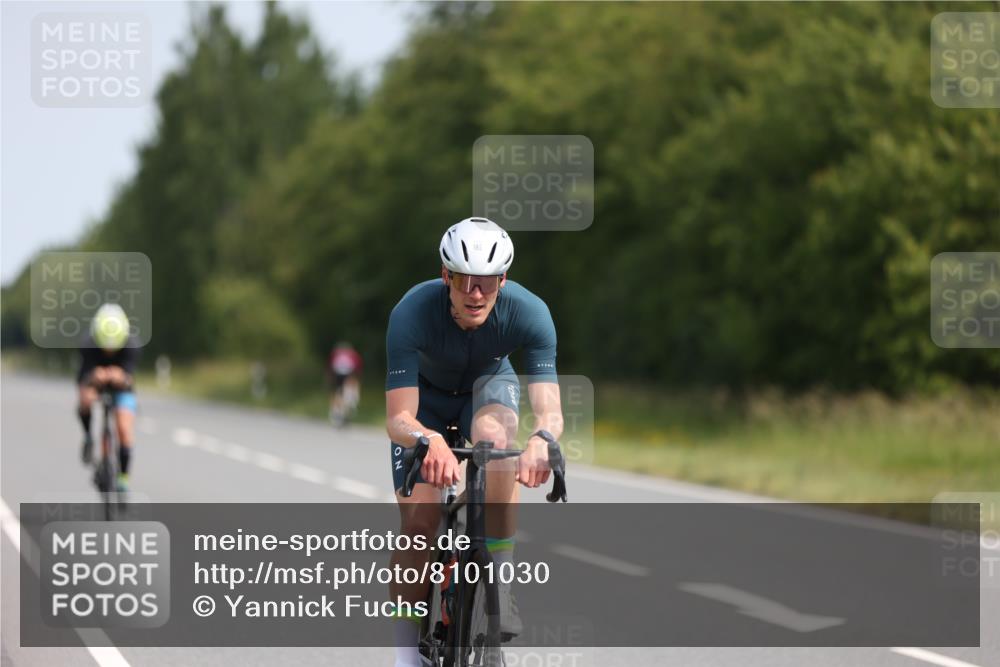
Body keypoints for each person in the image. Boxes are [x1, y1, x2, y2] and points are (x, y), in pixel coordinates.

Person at [385, 217, 564, 667]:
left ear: (503, 279)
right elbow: (397, 417)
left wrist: (543, 438)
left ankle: (498, 578)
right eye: (464, 279)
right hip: (424, 404)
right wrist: (428, 440)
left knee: (497, 443)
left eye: (486, 281)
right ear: (446, 275)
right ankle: (406, 656)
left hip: (486, 388)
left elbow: (550, 410)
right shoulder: (411, 312)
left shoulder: (530, 312)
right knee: (421, 525)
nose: (475, 293)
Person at [77, 303, 139, 492]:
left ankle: (123, 476)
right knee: (85, 399)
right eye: (105, 347)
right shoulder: (87, 345)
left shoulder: (132, 345)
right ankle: (88, 436)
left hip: (121, 387)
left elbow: (129, 380)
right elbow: (82, 379)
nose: (110, 352)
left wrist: (120, 377)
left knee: (123, 428)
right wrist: (94, 376)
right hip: (94, 381)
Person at [328, 341, 363, 426]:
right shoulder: (353, 354)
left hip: (338, 375)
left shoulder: (336, 353)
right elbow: (358, 367)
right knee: (347, 393)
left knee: (339, 393)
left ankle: (337, 412)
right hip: (348, 374)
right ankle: (345, 409)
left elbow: (330, 366)